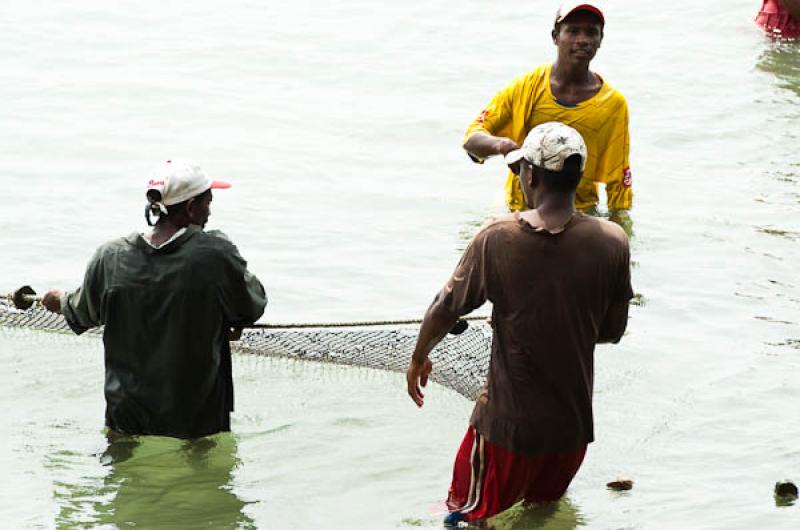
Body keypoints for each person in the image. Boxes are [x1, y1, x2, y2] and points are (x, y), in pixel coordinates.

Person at [407, 122, 633, 526]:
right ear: (577, 177)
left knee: (464, 516)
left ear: (530, 174)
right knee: (541, 516)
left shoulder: (498, 236)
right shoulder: (612, 241)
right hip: (571, 434)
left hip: (506, 433)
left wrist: (419, 357)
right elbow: (612, 332)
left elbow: (444, 307)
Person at [42, 160, 267, 439]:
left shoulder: (110, 257)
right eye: (208, 202)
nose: (209, 211)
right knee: (203, 476)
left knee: (121, 473)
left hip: (126, 415)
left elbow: (80, 311)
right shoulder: (215, 255)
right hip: (195, 417)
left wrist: (57, 300)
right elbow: (251, 306)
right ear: (190, 208)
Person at [463, 1, 632, 215]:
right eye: (572, 31)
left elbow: (619, 184)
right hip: (521, 211)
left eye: (591, 33)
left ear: (600, 41)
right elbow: (471, 140)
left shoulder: (612, 104)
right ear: (555, 36)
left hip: (578, 215)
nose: (582, 40)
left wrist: (618, 237)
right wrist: (504, 146)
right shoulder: (527, 87)